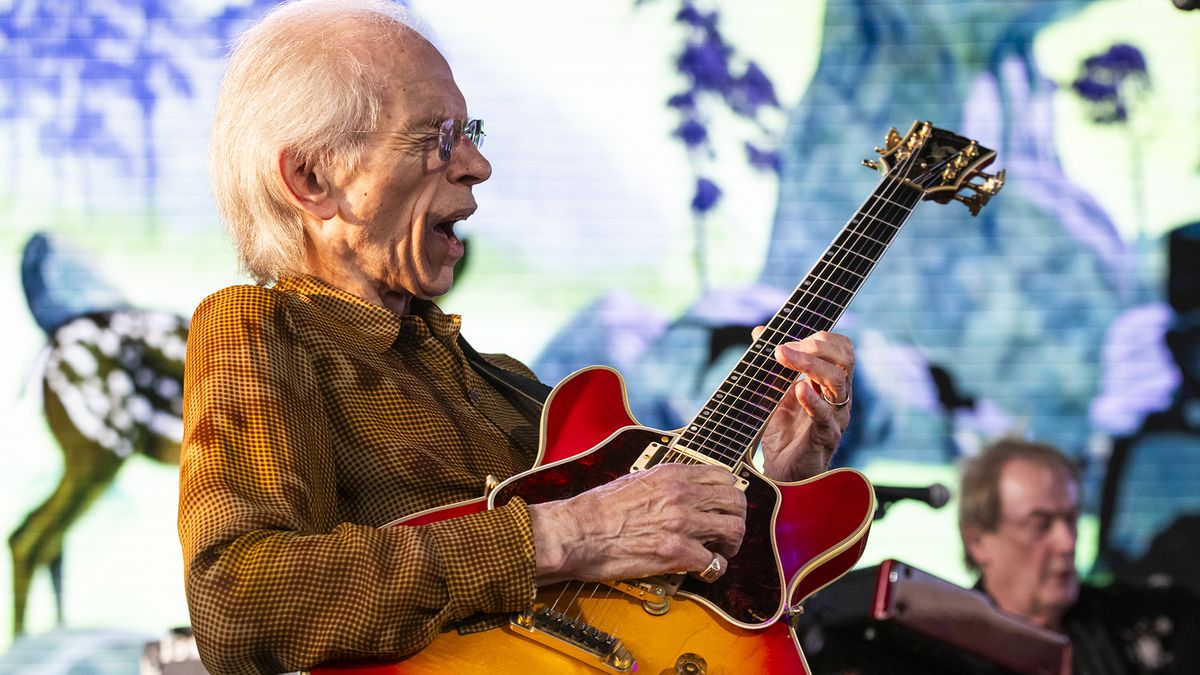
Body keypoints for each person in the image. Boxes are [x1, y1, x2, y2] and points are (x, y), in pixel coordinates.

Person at [178, 1, 856, 674]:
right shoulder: (266, 325)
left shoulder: (511, 383)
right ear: (311, 177)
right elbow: (236, 599)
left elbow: (663, 593)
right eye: (436, 138)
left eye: (469, 132)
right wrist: (571, 531)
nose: (477, 165)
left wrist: (780, 487)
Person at [958, 438, 1200, 674]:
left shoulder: (1135, 625)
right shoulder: (947, 649)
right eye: (1040, 525)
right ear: (978, 542)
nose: (1067, 542)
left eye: (1072, 520)